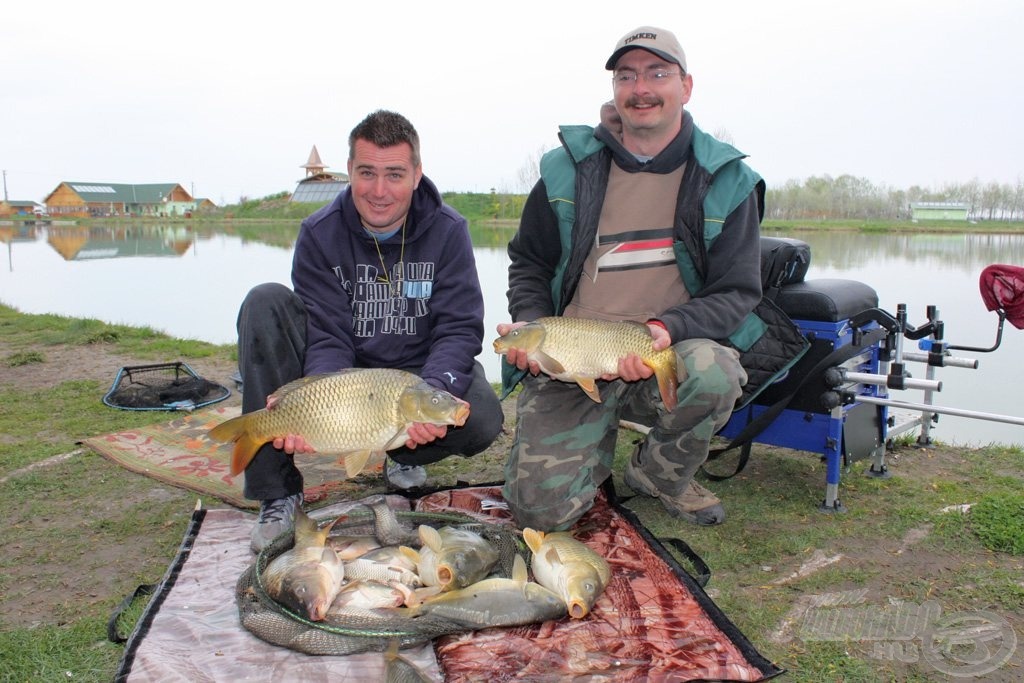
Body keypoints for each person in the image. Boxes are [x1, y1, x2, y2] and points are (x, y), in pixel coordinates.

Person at [497, 26, 769, 532]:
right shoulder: (566, 169)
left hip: (662, 346)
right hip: (570, 357)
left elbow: (737, 292)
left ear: (686, 87)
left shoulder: (726, 179)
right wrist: (529, 324)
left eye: (657, 73)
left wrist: (666, 329)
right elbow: (529, 263)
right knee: (538, 514)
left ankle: (657, 474)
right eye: (627, 75)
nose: (641, 88)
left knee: (715, 374)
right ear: (615, 89)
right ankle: (585, 450)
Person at [237, 110, 504, 552]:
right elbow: (326, 333)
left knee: (480, 417)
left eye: (395, 174)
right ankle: (277, 491)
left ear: (417, 174)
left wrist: (432, 390)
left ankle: (401, 454)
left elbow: (458, 328)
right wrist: (312, 400)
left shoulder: (448, 230)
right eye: (367, 173)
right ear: (350, 172)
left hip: (416, 371)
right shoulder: (319, 232)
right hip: (349, 372)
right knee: (264, 301)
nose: (379, 192)